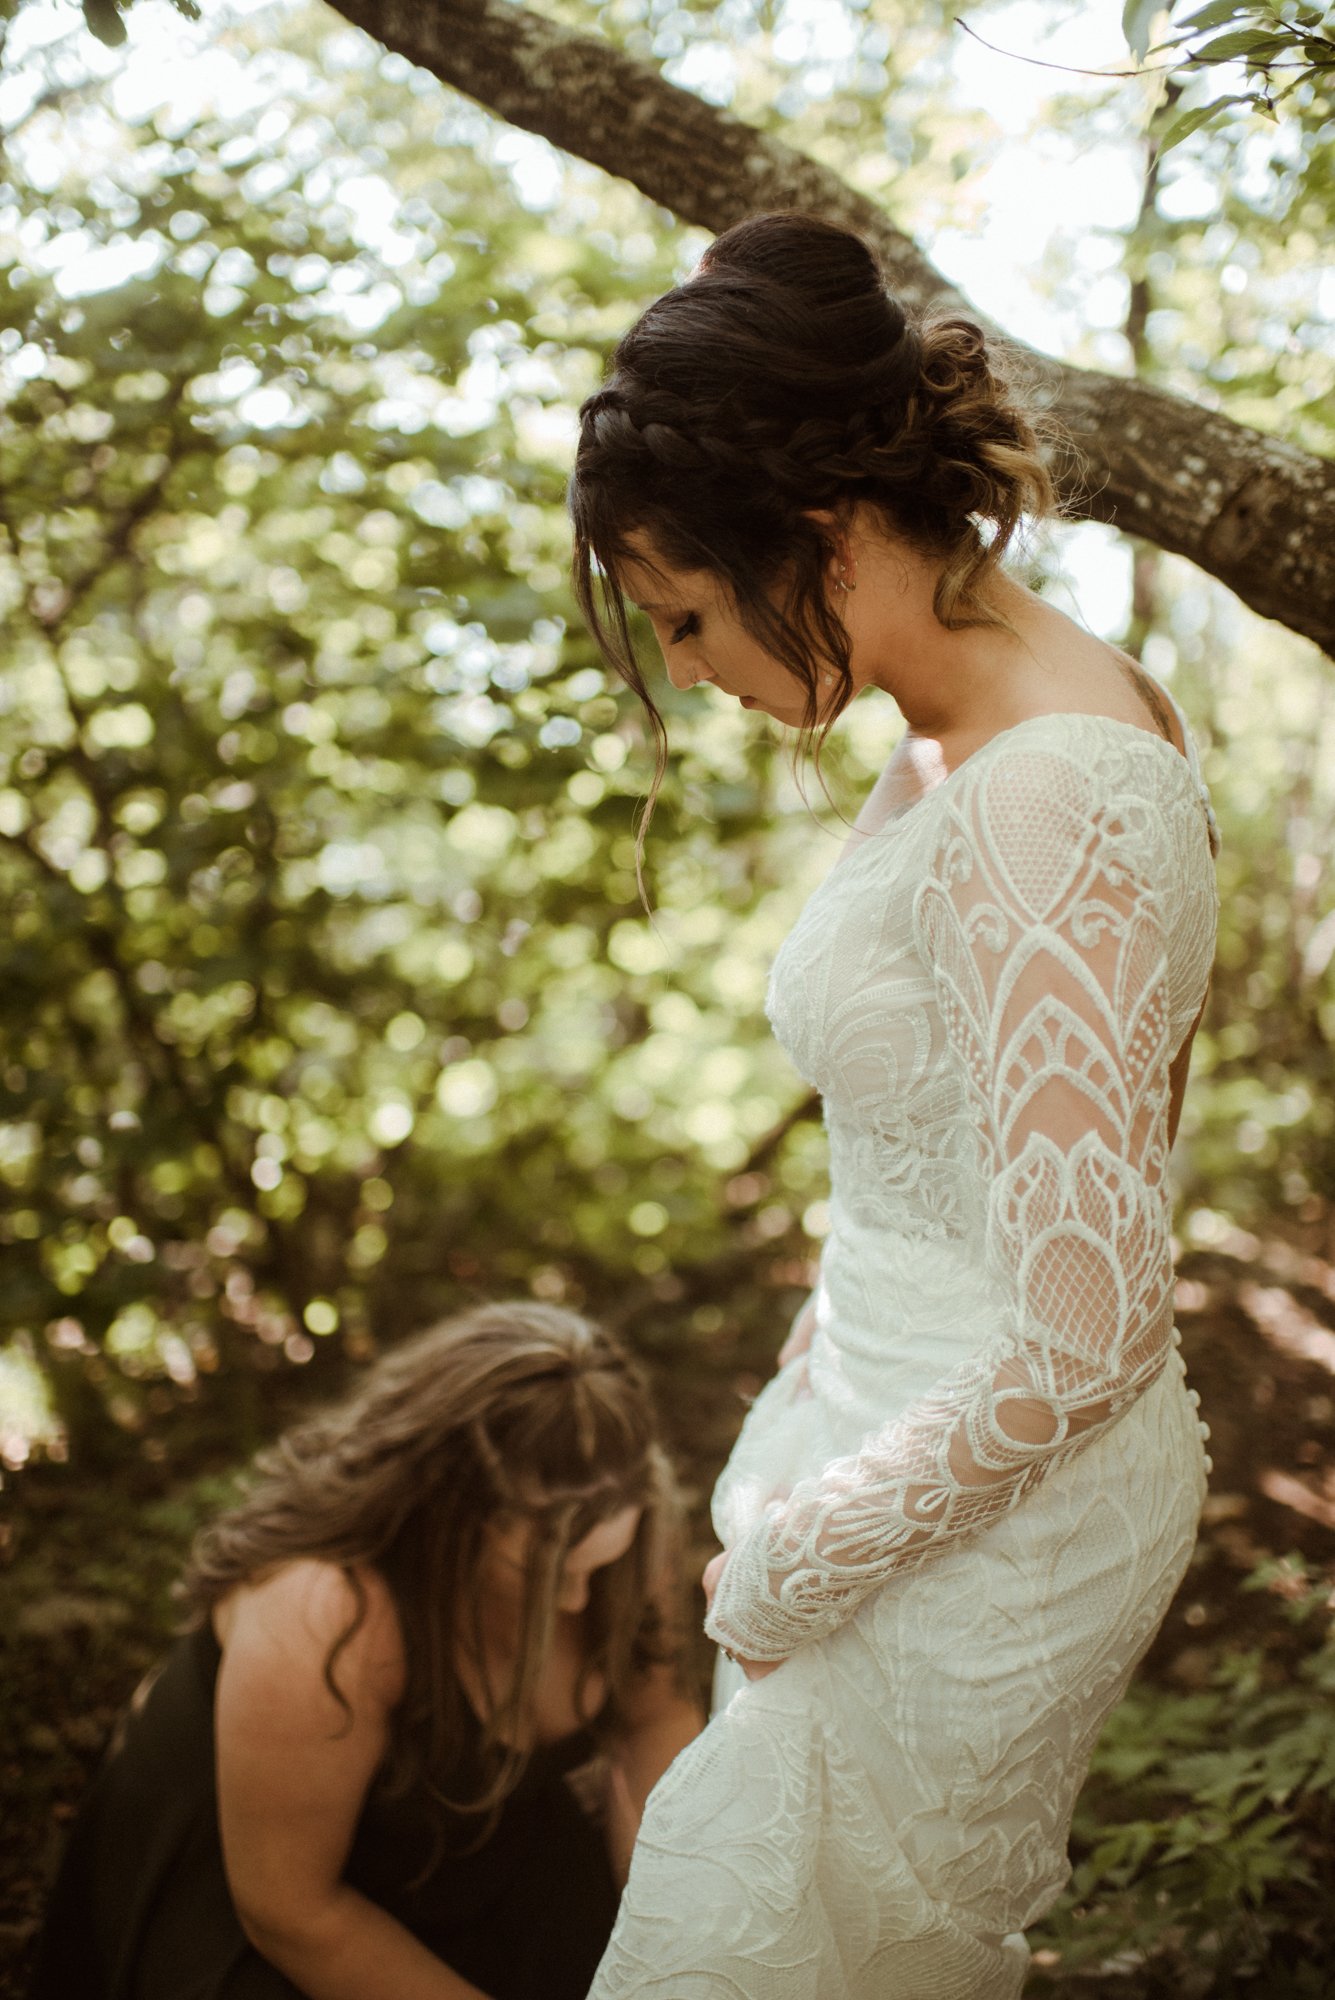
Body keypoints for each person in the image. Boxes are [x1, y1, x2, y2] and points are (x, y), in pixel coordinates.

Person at [567, 211, 1220, 1997]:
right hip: (878, 1443)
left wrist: (799, 1563)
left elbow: (1089, 1335)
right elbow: (926, 1170)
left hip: (989, 1517)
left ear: (822, 532)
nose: (691, 671)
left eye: (691, 618)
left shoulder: (1047, 787)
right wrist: (797, 1439)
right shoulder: (951, 736)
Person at [28, 1301, 703, 2000]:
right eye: (542, 1574)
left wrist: (670, 1914)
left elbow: (652, 1720)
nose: (573, 1603)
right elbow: (290, 1911)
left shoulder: (611, 1520)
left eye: (593, 1568)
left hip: (478, 1852)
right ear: (445, 1518)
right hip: (280, 1898)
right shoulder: (326, 1613)